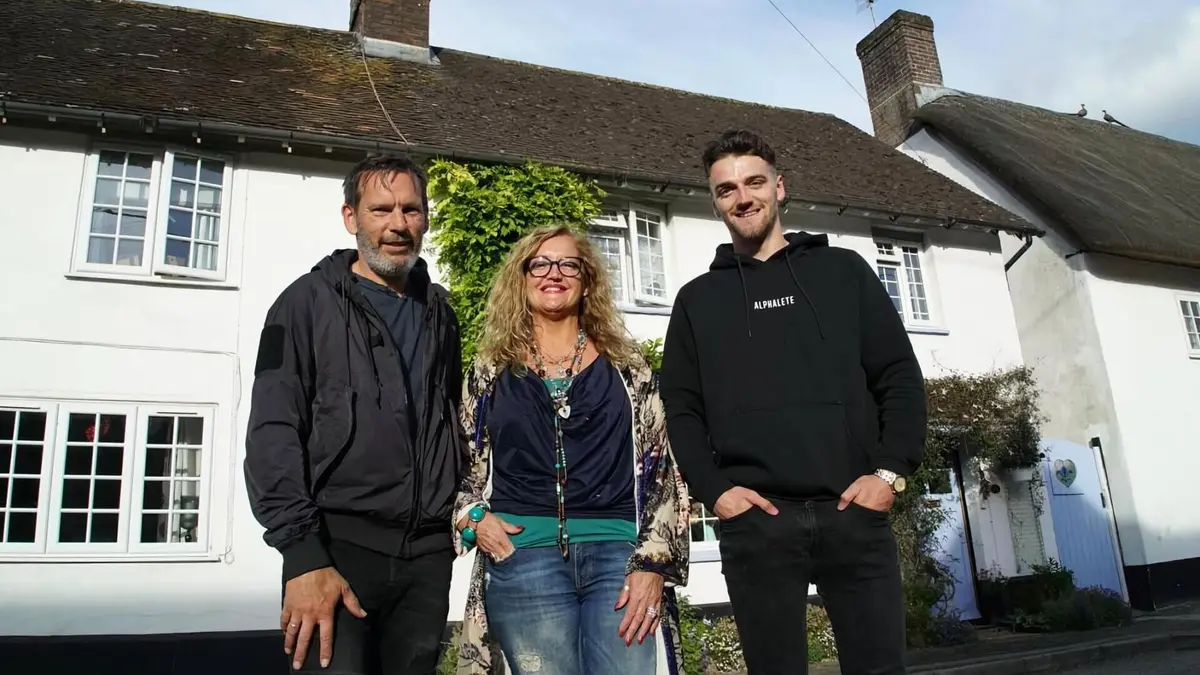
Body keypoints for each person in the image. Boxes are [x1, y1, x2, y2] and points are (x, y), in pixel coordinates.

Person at [660, 130, 927, 675]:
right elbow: (680, 409)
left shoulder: (843, 273)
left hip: (854, 512)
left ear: (780, 187)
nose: (743, 197)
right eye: (726, 189)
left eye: (754, 181)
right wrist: (717, 491)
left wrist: (891, 473)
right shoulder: (697, 301)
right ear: (715, 202)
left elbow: (898, 377)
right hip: (757, 522)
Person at [244, 153, 463, 675]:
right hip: (335, 552)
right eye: (380, 209)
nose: (397, 225)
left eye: (411, 210)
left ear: (425, 219)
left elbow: (451, 419)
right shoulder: (302, 304)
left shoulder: (442, 313)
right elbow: (273, 430)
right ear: (351, 217)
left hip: (427, 560)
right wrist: (302, 555)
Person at [451, 225, 691, 675]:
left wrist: (654, 563)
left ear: (587, 281)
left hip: (619, 560)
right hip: (522, 557)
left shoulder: (627, 367)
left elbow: (664, 471)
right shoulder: (489, 371)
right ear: (521, 279)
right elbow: (458, 468)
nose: (553, 273)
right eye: (539, 264)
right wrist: (474, 519)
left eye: (568, 264)